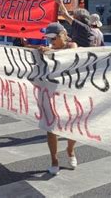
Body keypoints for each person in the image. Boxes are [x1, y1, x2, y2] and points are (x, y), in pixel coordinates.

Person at [40, 22, 78, 175]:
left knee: (72, 127)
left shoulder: (71, 45)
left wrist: (50, 51)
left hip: (70, 93)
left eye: (54, 38)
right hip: (52, 92)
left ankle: (70, 150)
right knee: (51, 128)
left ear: (62, 35)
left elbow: (71, 54)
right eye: (49, 39)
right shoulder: (49, 49)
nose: (51, 41)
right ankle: (54, 160)